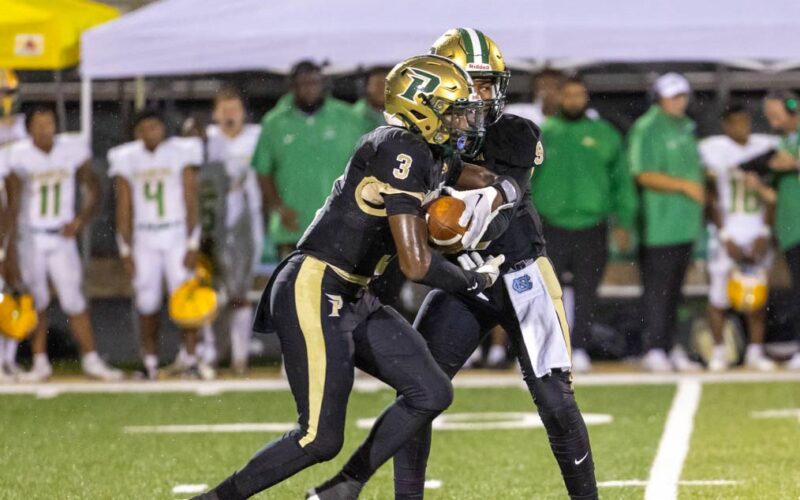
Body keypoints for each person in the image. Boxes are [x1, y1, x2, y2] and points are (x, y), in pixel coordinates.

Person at [195, 54, 519, 500]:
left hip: (352, 292)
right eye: (454, 108)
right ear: (422, 107)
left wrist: (507, 188)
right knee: (318, 440)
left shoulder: (430, 151)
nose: (464, 118)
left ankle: (344, 487)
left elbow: (471, 175)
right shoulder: (399, 149)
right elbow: (416, 265)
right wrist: (474, 280)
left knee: (430, 392)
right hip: (316, 284)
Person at [311, 29, 598, 500]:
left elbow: (507, 199)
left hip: (518, 273)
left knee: (554, 398)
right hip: (463, 279)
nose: (484, 95)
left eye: (490, 84)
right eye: (475, 83)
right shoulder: (416, 145)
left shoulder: (514, 132)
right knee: (419, 395)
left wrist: (467, 207)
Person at [3, 106, 122, 382]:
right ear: (29, 128)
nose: (46, 129)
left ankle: (91, 359)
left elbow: (93, 184)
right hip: (30, 236)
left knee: (74, 300)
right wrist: (8, 250)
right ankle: (40, 361)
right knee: (37, 299)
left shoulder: (70, 149)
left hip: (60, 235)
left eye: (50, 123)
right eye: (40, 123)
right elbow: (10, 204)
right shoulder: (16, 155)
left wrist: (81, 219)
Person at [532, 75, 637, 373]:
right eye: (569, 95)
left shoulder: (605, 134)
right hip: (551, 225)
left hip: (592, 224)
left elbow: (622, 182)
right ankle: (544, 348)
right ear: (559, 97)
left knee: (588, 291)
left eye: (580, 95)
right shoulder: (544, 133)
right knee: (544, 290)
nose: (575, 100)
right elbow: (527, 181)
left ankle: (579, 348)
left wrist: (623, 221)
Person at [109, 109, 205, 380]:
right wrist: (124, 248)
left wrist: (192, 242)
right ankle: (149, 361)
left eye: (156, 126)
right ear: (137, 132)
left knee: (186, 298)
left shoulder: (179, 151)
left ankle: (190, 359)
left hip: (175, 233)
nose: (151, 132)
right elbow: (124, 206)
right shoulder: (127, 157)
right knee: (147, 302)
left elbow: (190, 197)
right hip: (145, 236)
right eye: (145, 127)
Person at [628, 72, 704, 373]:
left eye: (683, 96)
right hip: (659, 225)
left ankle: (671, 346)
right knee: (658, 291)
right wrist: (684, 186)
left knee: (675, 292)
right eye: (674, 96)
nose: (680, 102)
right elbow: (642, 172)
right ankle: (654, 348)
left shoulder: (686, 126)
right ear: (659, 98)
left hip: (685, 224)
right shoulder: (647, 127)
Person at [251, 60, 365, 257]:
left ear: (323, 84)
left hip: (337, 224)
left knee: (334, 286)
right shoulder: (274, 122)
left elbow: (365, 164)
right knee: (292, 286)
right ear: (292, 87)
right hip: (292, 226)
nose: (309, 89)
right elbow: (262, 171)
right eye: (303, 83)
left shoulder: (348, 118)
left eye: (314, 82)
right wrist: (278, 206)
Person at [700, 104, 778, 371]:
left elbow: (771, 194)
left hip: (756, 229)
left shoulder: (764, 146)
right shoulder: (713, 149)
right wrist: (724, 235)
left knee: (756, 293)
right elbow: (710, 197)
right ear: (725, 126)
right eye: (736, 123)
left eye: (746, 122)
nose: (742, 128)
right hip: (727, 230)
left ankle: (756, 352)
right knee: (718, 297)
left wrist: (765, 232)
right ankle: (719, 350)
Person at [205, 88, 263, 375]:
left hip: (247, 222)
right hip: (212, 225)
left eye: (234, 109)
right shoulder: (205, 141)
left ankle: (240, 357)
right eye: (224, 109)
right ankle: (211, 354)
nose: (229, 116)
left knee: (240, 290)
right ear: (215, 113)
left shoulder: (257, 136)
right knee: (213, 291)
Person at [762, 90, 800, 369]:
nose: (773, 123)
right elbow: (781, 195)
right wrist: (759, 189)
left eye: (776, 116)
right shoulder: (786, 141)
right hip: (791, 229)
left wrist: (794, 163)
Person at [0, 68, 27, 379]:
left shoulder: (23, 127)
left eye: (8, 93)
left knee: (12, 287)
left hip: (16, 214)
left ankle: (8, 357)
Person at [352, 66, 389, 133]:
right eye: (378, 84)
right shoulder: (358, 114)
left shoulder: (394, 112)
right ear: (368, 86)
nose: (382, 88)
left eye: (385, 84)